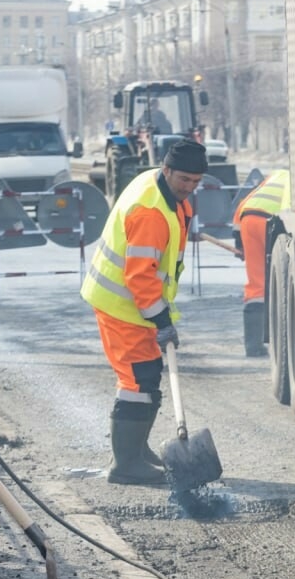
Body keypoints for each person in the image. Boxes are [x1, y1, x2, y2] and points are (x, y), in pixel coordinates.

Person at [81, 139, 206, 485]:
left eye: (196, 182)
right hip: (122, 305)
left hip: (136, 307)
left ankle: (137, 450)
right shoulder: (150, 211)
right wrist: (162, 319)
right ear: (166, 170)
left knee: (147, 375)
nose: (189, 188)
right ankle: (125, 464)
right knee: (138, 380)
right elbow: (140, 276)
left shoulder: (162, 190)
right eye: (184, 180)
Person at [232, 169, 291, 357]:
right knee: (281, 278)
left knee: (257, 285)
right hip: (272, 223)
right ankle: (277, 339)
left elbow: (244, 203)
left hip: (248, 219)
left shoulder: (274, 177)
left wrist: (240, 243)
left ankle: (254, 346)